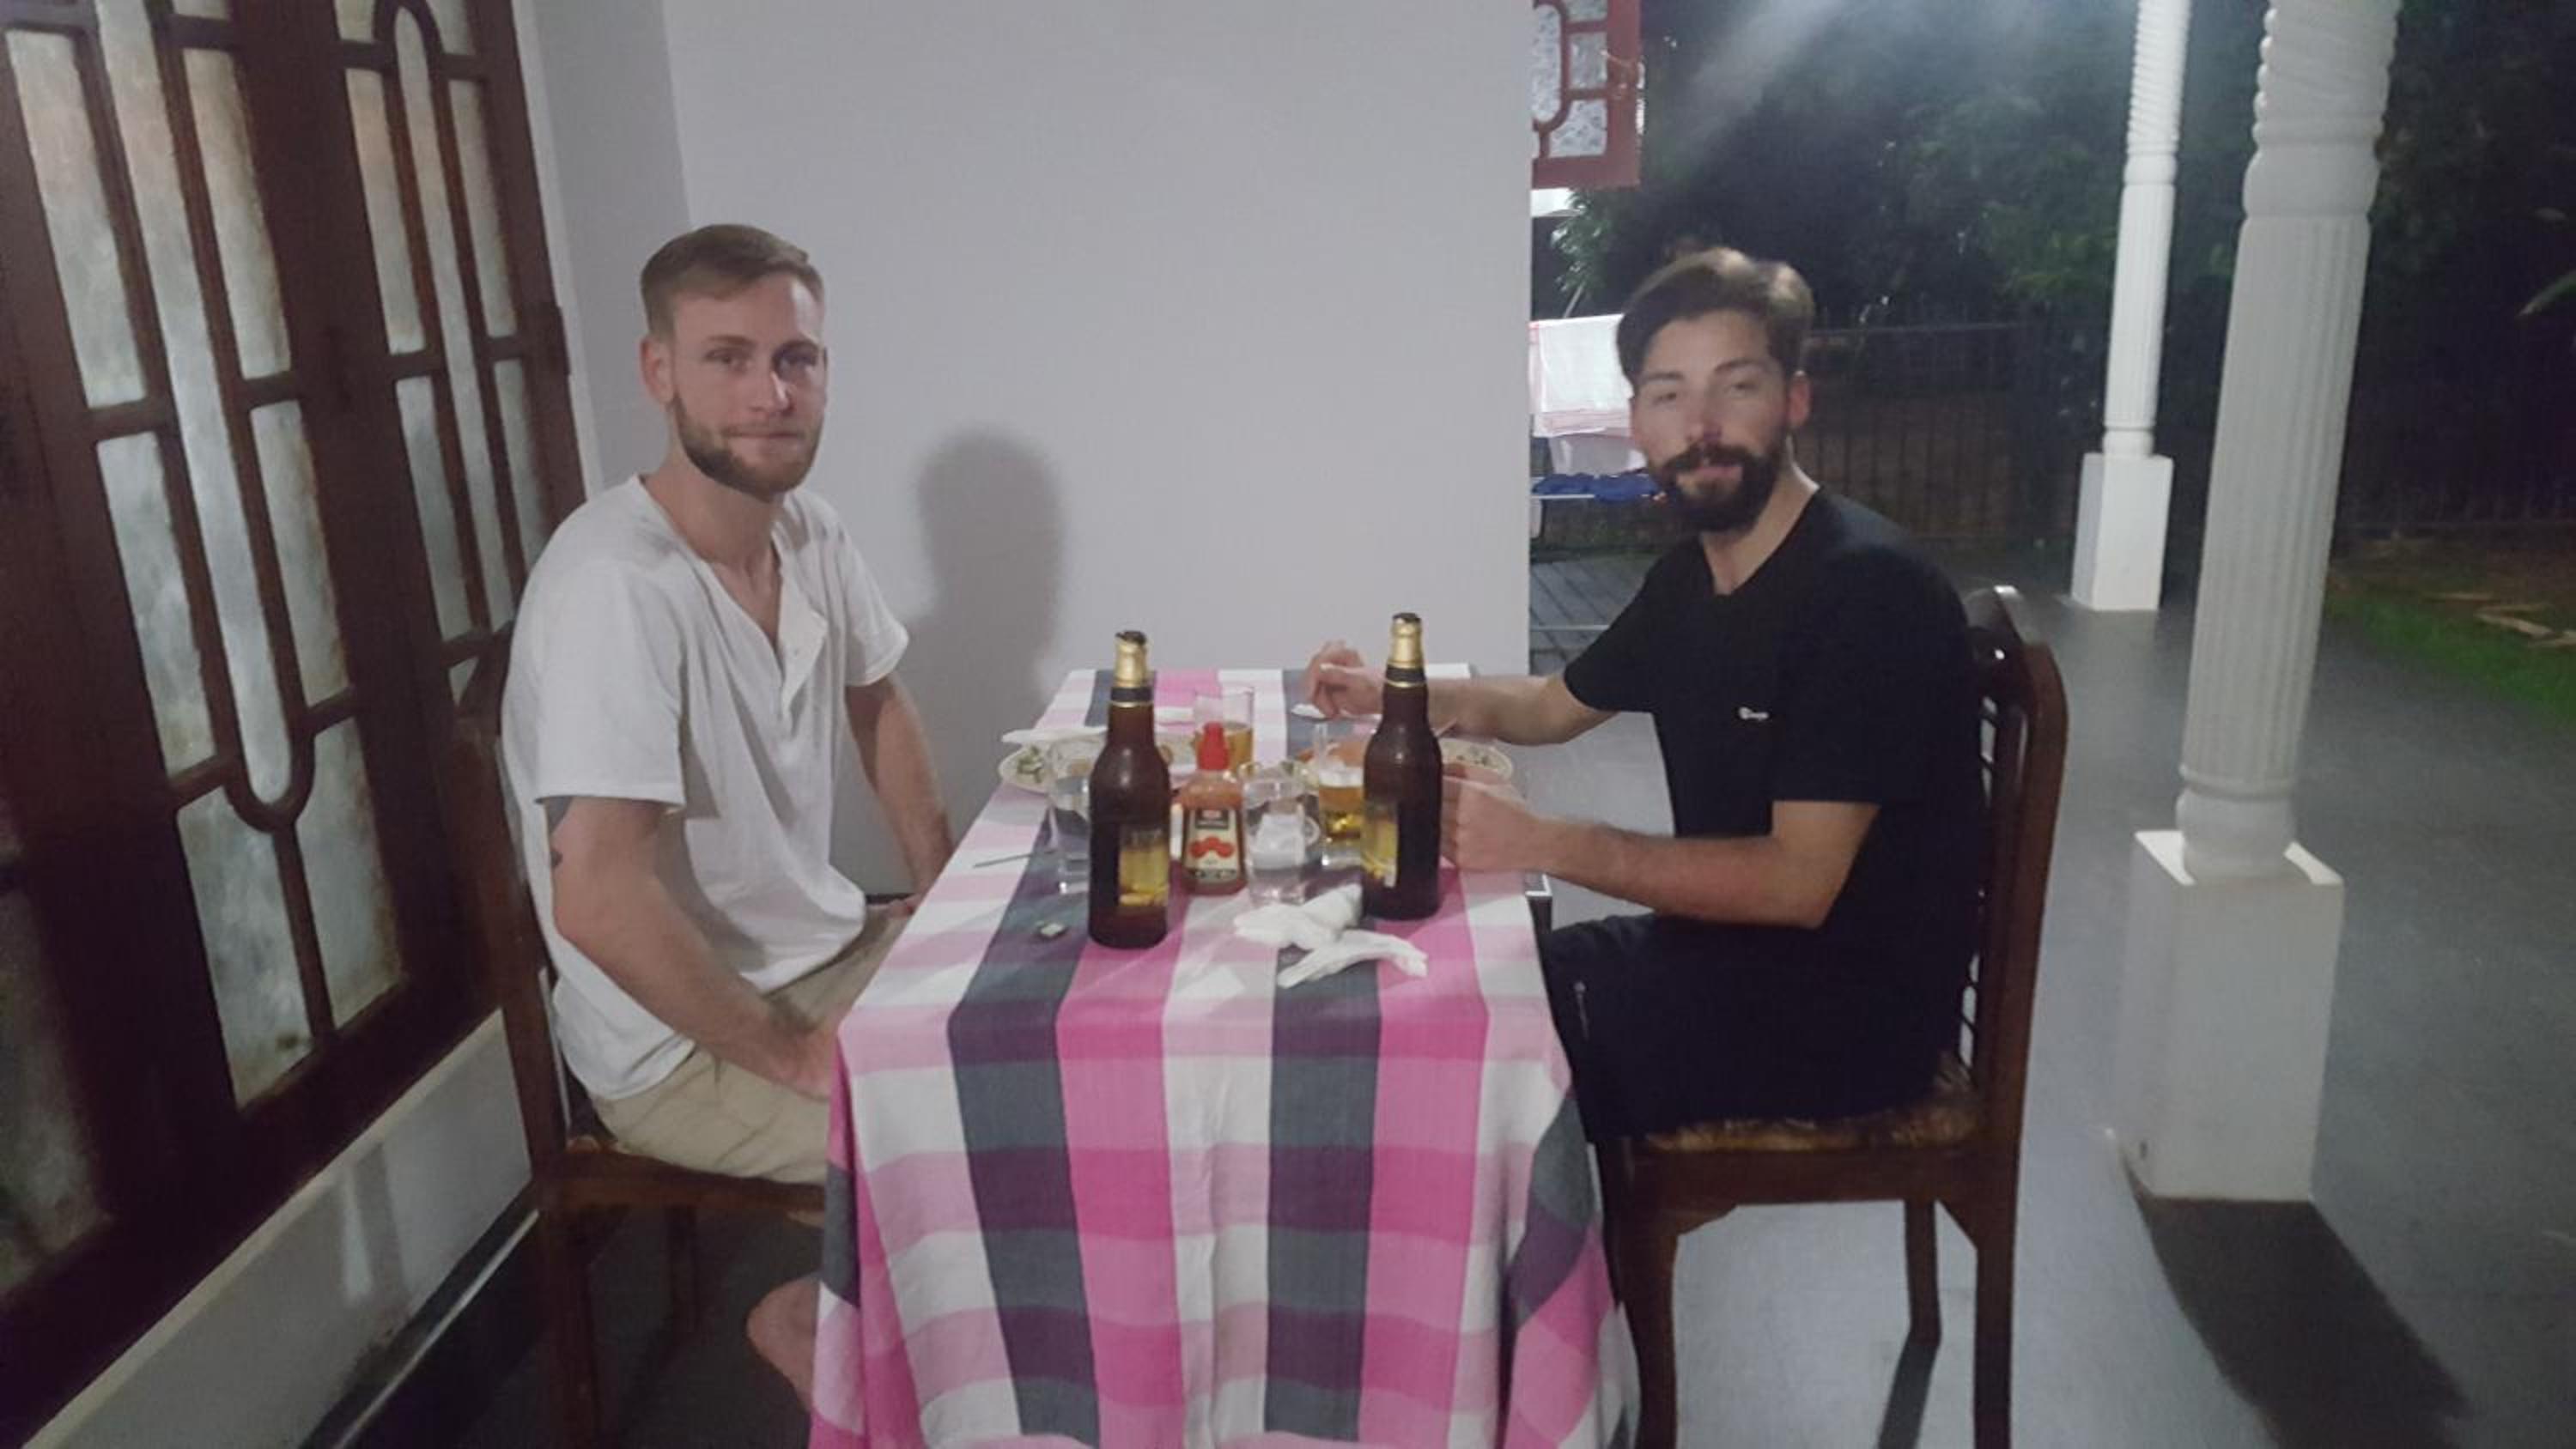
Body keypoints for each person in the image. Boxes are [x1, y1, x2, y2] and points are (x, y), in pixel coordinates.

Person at [1308, 246, 1980, 1139]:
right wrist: (1393, 695)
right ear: (1637, 422)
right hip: (1719, 956)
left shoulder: (1865, 593)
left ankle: (1517, 1234)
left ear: (1794, 400)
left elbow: (1797, 883)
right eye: (1668, 395)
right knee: (1442, 988)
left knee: (1453, 1049)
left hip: (1845, 1016)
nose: (1701, 424)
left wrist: (1545, 841)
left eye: (1736, 387)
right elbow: (1551, 707)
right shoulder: (1692, 579)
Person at [502, 223, 954, 1400]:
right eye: (728, 358)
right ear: (658, 371)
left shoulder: (808, 529)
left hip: (817, 948)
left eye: (795, 358)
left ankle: (933, 1329)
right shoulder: (618, 588)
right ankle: (817, 1321)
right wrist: (794, 1055)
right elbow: (597, 898)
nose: (770, 394)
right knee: (983, 1124)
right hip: (678, 1042)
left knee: (1043, 1020)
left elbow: (879, 702)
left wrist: (943, 891)